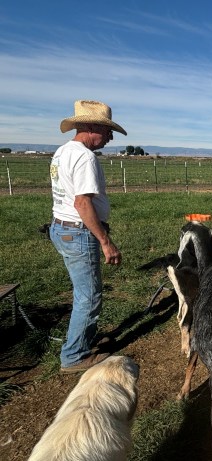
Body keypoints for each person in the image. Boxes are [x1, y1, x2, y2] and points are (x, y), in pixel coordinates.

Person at [49, 100, 127, 374]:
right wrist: (105, 241)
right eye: (107, 131)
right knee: (89, 297)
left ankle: (84, 340)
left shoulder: (62, 152)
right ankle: (74, 356)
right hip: (79, 232)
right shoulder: (84, 157)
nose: (110, 137)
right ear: (92, 127)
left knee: (83, 291)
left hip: (63, 228)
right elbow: (82, 203)